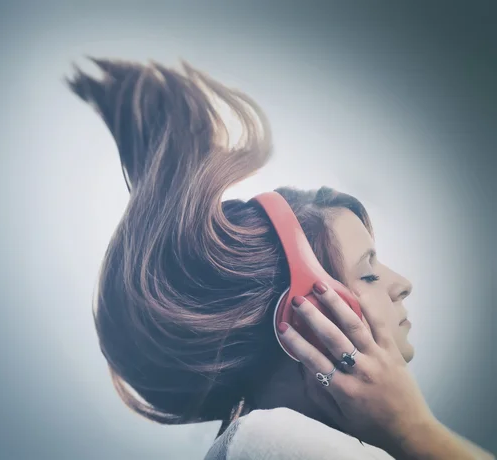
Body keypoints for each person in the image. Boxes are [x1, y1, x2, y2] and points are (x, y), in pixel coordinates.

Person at [66, 58, 494, 459]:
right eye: (367, 273)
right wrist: (415, 432)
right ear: (302, 316)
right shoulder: (276, 443)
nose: (401, 283)